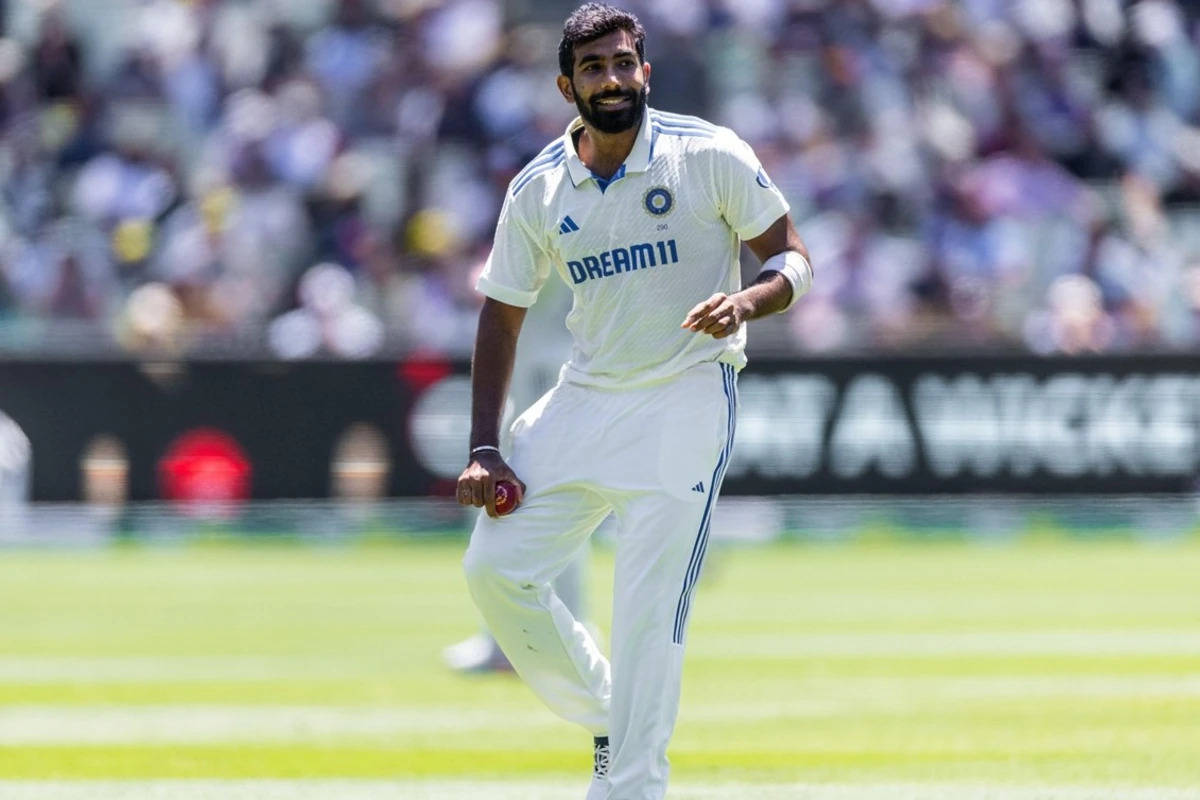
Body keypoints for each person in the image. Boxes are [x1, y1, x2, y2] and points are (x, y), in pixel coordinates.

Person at [455, 5, 812, 799]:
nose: (611, 80)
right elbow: (501, 310)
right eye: (593, 68)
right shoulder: (541, 185)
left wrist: (748, 302)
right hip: (587, 395)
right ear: (565, 85)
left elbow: (791, 255)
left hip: (687, 391)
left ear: (645, 72)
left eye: (623, 64)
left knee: (647, 609)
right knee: (496, 572)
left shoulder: (708, 154)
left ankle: (633, 784)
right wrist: (485, 448)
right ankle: (615, 717)